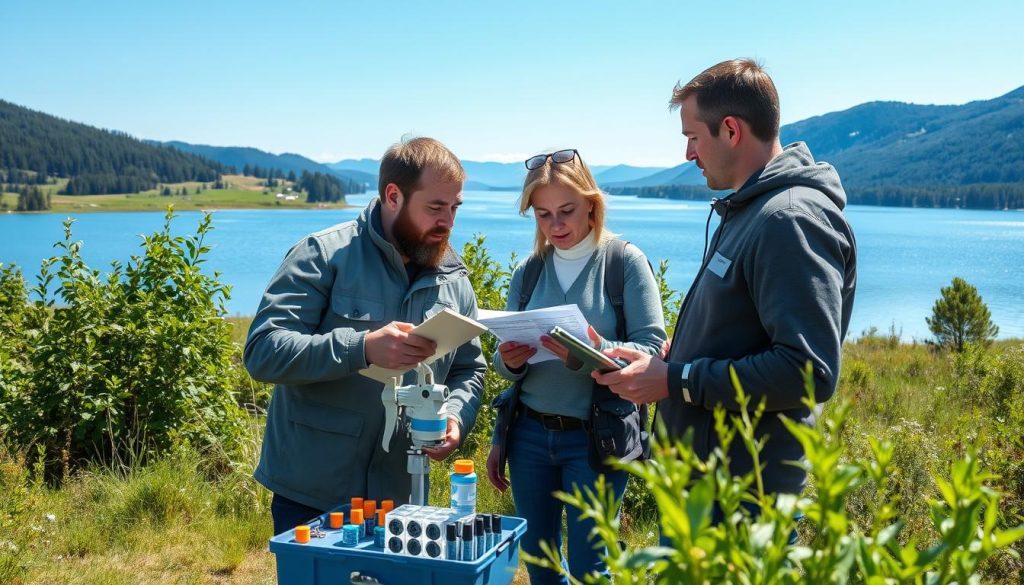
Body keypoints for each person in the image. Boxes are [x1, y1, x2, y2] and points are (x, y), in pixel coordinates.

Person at [595, 59, 858, 518]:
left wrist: (676, 380)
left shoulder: (788, 220)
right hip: (707, 486)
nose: (688, 155)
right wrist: (666, 360)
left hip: (743, 498)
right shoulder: (751, 209)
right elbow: (739, 330)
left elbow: (807, 370)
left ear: (731, 131)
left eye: (692, 138)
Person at [244, 137, 486, 535]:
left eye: (455, 207)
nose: (448, 222)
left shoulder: (453, 276)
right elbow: (264, 350)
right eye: (436, 207)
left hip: (402, 496)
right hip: (313, 492)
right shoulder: (323, 255)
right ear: (393, 195)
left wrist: (457, 417)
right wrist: (363, 349)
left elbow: (468, 369)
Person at [485, 148, 666, 584]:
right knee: (542, 566)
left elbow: (652, 347)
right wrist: (507, 361)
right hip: (527, 435)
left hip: (596, 438)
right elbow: (504, 358)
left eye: (566, 211)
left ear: (591, 203)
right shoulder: (529, 271)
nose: (556, 225)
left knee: (591, 567)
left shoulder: (624, 262)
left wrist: (591, 352)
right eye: (544, 215)